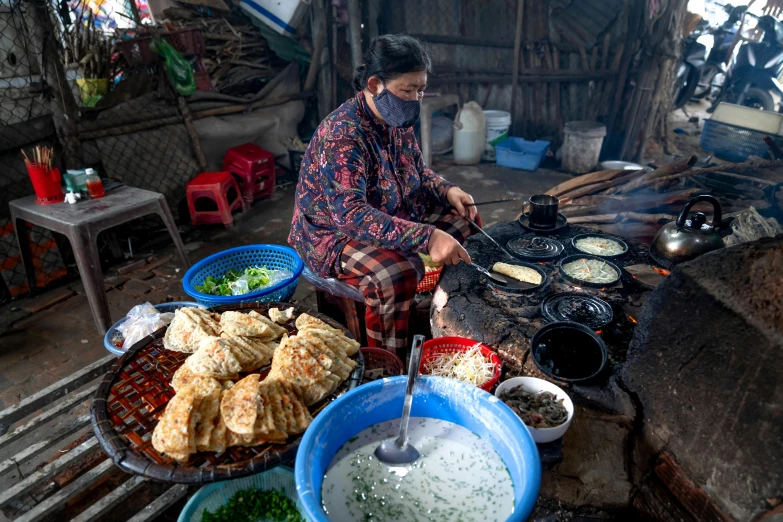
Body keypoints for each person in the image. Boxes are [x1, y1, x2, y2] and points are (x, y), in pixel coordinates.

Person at [288, 34, 478, 356]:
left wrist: (448, 190)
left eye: (420, 90)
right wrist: (428, 238)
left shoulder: (396, 118)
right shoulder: (343, 134)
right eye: (407, 90)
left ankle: (437, 312)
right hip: (332, 233)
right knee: (395, 274)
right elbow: (350, 215)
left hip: (391, 211)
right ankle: (388, 361)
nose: (415, 99)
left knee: (465, 221)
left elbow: (418, 170)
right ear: (375, 83)